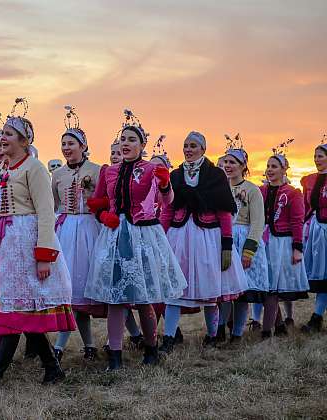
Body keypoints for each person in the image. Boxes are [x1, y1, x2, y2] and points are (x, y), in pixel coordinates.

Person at [0, 98, 75, 387]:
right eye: (1, 134)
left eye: (7, 134)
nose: (1, 139)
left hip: (25, 241)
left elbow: (46, 212)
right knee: (20, 311)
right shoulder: (2, 169)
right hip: (3, 243)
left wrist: (44, 254)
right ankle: (52, 368)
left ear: (23, 140)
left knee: (18, 311)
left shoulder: (35, 168)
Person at [85, 110, 187, 368]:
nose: (126, 143)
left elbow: (167, 202)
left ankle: (151, 350)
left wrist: (166, 185)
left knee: (143, 297)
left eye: (132, 139)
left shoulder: (153, 168)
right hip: (116, 236)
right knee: (116, 299)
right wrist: (103, 215)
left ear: (142, 145)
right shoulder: (108, 171)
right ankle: (115, 356)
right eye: (123, 139)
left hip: (143, 234)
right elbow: (97, 201)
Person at [160, 131, 248, 353]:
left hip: (208, 237)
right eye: (185, 145)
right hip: (179, 236)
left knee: (210, 289)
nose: (188, 149)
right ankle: (169, 337)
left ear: (203, 149)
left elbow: (224, 211)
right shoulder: (176, 175)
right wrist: (160, 238)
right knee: (174, 288)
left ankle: (213, 335)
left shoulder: (215, 175)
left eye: (193, 145)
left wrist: (227, 244)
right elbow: (168, 209)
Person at [51, 106, 103, 362]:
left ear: (83, 145)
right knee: (68, 292)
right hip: (66, 230)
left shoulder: (96, 169)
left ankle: (62, 347)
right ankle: (83, 345)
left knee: (82, 290)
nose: (66, 147)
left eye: (71, 143)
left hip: (89, 230)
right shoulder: (57, 174)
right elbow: (53, 204)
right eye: (63, 143)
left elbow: (103, 201)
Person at [218, 135, 268, 342]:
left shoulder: (252, 190)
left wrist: (249, 251)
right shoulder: (221, 188)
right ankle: (219, 328)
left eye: (233, 162)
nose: (228, 166)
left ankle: (237, 333)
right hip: (225, 240)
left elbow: (257, 222)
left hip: (244, 239)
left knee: (242, 293)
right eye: (226, 162)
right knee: (224, 290)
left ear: (243, 165)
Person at [259, 140, 309, 338]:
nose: (269, 170)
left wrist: (297, 248)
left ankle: (266, 333)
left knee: (272, 288)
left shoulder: (292, 193)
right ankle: (278, 327)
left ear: (283, 169)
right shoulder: (260, 191)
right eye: (268, 166)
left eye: (274, 166)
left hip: (282, 243)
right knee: (265, 284)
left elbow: (298, 221)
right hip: (264, 242)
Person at [301, 138, 327, 332]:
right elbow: (306, 206)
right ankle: (317, 317)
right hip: (317, 230)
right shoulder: (309, 180)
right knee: (323, 276)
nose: (316, 159)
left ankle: (317, 317)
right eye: (315, 156)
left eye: (320, 156)